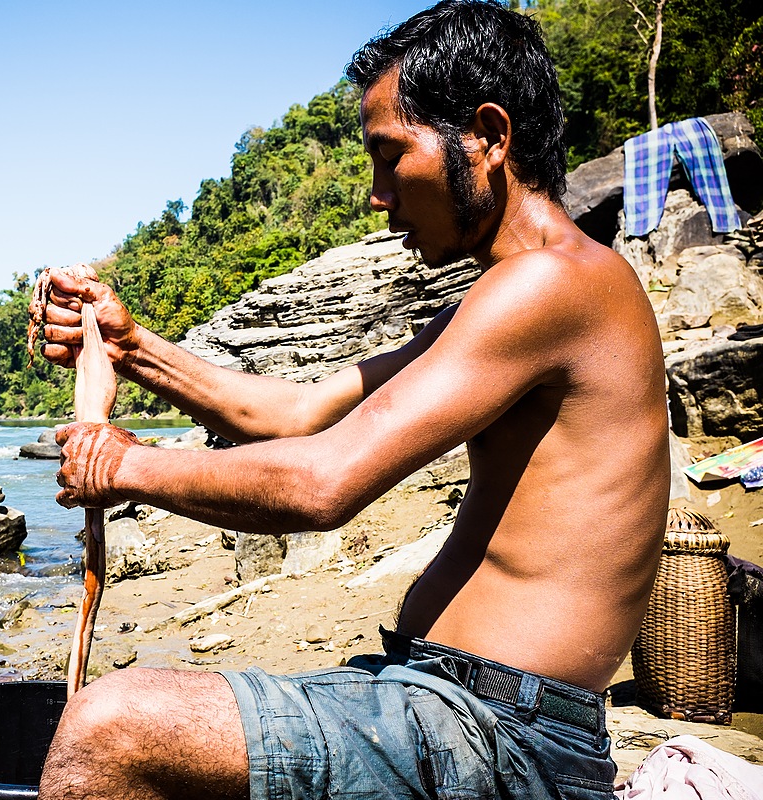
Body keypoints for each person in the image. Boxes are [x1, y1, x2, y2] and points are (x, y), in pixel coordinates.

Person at [34, 1, 671, 798]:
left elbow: (320, 482)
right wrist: (135, 350)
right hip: (451, 703)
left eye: (388, 155)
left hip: (505, 736)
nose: (377, 194)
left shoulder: (556, 284)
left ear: (488, 136)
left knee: (111, 724)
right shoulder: (513, 295)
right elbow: (299, 414)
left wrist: (123, 467)